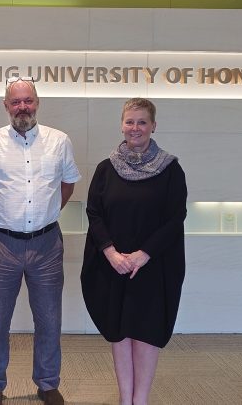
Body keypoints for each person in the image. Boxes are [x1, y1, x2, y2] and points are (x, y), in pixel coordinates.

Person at [0, 77, 81, 405]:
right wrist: (7, 216)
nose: (23, 107)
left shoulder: (59, 141)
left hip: (47, 245)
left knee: (49, 318)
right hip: (2, 245)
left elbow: (67, 184)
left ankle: (47, 383)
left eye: (28, 101)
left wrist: (46, 215)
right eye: (16, 102)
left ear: (37, 102)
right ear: (6, 106)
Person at [80, 97, 187, 405]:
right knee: (120, 332)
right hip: (115, 265)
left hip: (153, 267)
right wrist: (111, 253)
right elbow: (94, 213)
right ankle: (125, 399)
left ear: (153, 126)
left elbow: (175, 217)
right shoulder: (106, 168)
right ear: (121, 125)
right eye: (130, 121)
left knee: (145, 333)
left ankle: (140, 400)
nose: (135, 128)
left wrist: (144, 254)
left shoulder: (171, 169)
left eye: (142, 122)